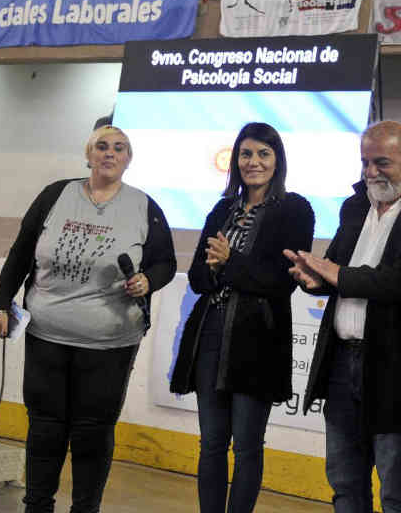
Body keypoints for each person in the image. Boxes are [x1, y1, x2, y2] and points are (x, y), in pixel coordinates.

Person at [0, 125, 177, 513]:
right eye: (102, 147)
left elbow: (166, 263)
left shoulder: (144, 206)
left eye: (119, 148)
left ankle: (84, 509)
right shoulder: (56, 195)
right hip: (46, 335)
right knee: (44, 427)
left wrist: (148, 280)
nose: (110, 153)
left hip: (110, 343)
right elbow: (22, 251)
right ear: (88, 155)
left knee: (92, 432)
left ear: (129, 159)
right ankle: (36, 505)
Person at [286, 120, 401, 513]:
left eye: (381, 162)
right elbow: (335, 267)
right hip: (339, 363)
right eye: (365, 162)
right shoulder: (354, 205)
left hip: (399, 367)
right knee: (345, 484)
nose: (370, 172)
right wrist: (314, 279)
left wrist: (338, 275)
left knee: (396, 490)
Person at [170, 122, 315, 513]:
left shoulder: (295, 209)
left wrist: (229, 262)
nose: (254, 162)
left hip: (258, 341)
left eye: (263, 154)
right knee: (212, 443)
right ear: (236, 160)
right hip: (210, 334)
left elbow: (279, 283)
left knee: (247, 445)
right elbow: (199, 277)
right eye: (246, 154)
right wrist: (217, 267)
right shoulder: (222, 208)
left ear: (277, 160)